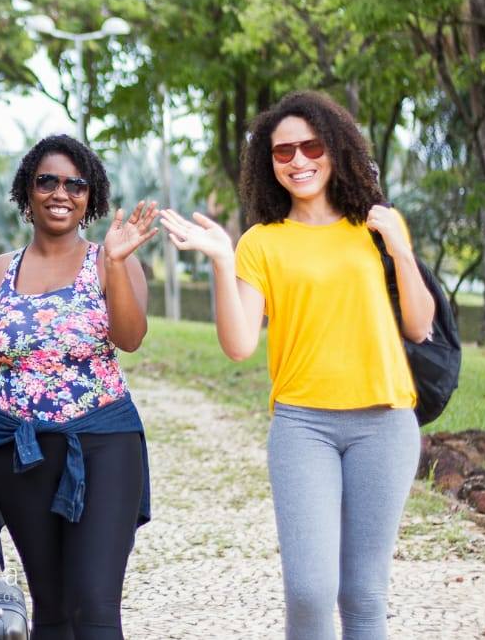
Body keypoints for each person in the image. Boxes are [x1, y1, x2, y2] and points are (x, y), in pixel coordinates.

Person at [159, 91, 434, 640]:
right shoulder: (262, 243)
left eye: (311, 146)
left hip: (384, 424)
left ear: (335, 149)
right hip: (303, 426)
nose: (298, 160)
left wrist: (401, 250)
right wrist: (220, 257)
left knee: (364, 594)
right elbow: (239, 345)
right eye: (283, 152)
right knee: (309, 592)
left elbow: (420, 327)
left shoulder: (374, 229)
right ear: (270, 164)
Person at [0, 134, 156, 640]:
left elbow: (131, 339)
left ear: (90, 198)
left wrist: (119, 265)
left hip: (103, 444)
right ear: (27, 191)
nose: (62, 192)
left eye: (76, 184)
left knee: (95, 608)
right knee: (52, 609)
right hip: (19, 451)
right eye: (48, 181)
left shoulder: (111, 260)